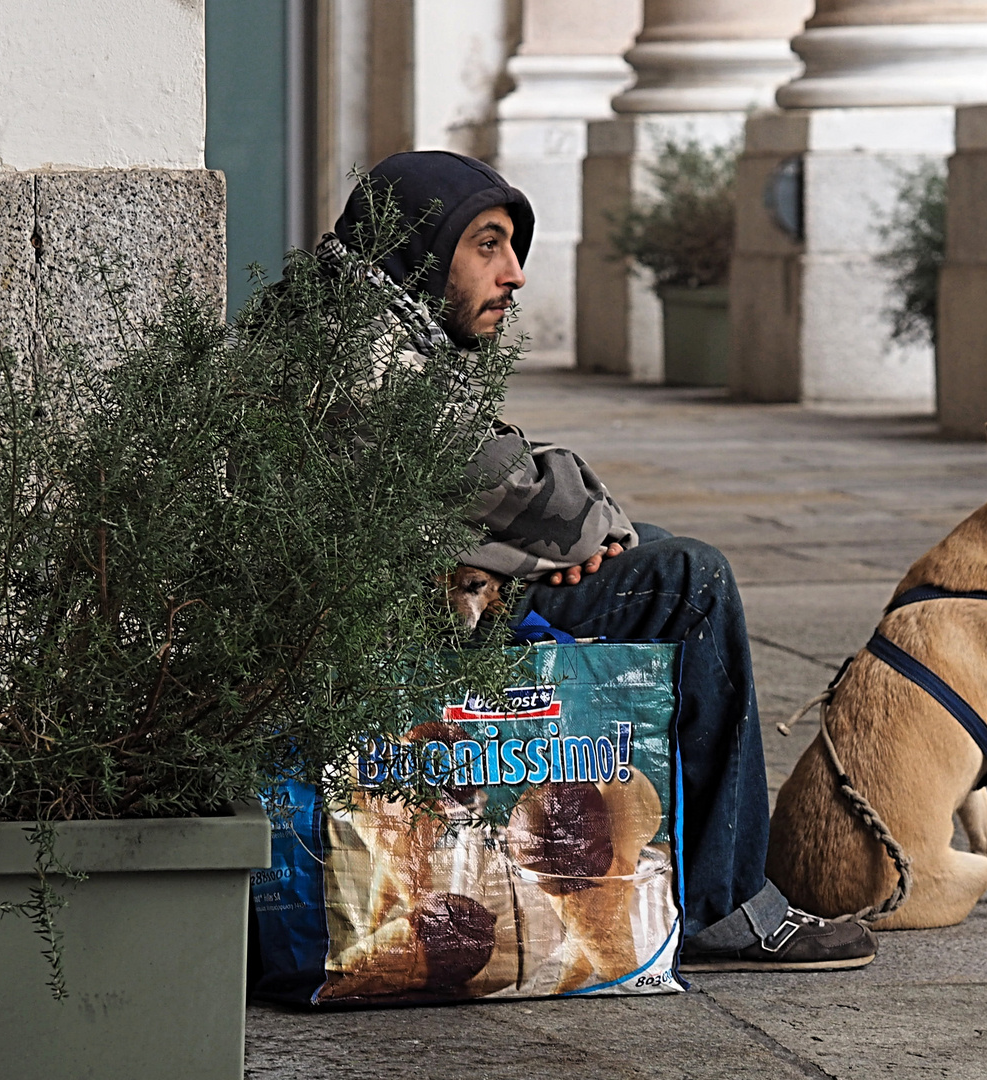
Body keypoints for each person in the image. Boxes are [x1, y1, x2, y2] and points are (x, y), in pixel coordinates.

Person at [323, 150, 877, 972]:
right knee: (691, 582)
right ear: (422, 248)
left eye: (513, 247)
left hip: (423, 589)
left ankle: (702, 879)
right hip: (398, 620)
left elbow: (479, 505)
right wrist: (572, 537)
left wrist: (550, 548)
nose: (513, 274)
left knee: (644, 552)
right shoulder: (372, 362)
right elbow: (509, 491)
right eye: (486, 245)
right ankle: (726, 904)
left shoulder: (356, 324)